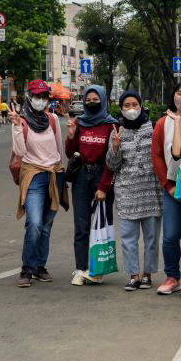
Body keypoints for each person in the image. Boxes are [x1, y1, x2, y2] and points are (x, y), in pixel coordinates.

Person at [8, 80, 66, 288]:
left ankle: (40, 266)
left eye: (44, 97)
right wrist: (16, 126)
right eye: (37, 96)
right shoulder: (22, 121)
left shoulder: (52, 120)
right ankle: (27, 268)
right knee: (34, 223)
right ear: (29, 97)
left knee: (46, 225)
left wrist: (59, 171)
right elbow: (21, 152)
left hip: (54, 174)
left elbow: (58, 150)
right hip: (34, 175)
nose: (41, 101)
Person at [107, 91, 164, 290]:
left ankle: (147, 274)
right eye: (126, 105)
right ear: (121, 109)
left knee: (151, 238)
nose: (131, 109)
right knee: (128, 238)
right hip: (126, 193)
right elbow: (112, 165)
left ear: (141, 105)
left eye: (134, 104)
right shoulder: (117, 131)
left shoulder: (155, 127)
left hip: (151, 192)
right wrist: (115, 147)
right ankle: (133, 275)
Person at [151, 84, 181, 296]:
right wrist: (167, 185)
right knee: (170, 236)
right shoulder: (163, 123)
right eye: (179, 93)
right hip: (172, 187)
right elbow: (157, 156)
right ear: (173, 95)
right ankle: (172, 277)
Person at [66, 85, 116, 286]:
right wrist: (71, 135)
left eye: (96, 99)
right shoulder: (79, 122)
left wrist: (103, 186)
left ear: (103, 100)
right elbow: (71, 153)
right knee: (82, 226)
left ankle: (98, 268)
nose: (91, 102)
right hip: (81, 177)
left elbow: (113, 160)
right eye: (88, 99)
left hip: (102, 175)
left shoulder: (111, 125)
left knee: (101, 225)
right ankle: (81, 268)